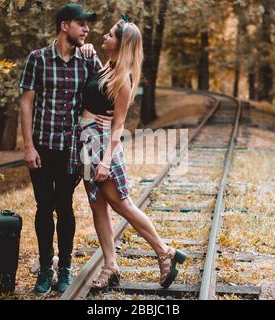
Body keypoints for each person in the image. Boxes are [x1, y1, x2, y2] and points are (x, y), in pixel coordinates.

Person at [71, 17, 187, 292]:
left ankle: (164, 252)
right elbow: (97, 93)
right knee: (97, 204)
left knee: (121, 203)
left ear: (121, 44)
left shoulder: (123, 78)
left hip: (102, 145)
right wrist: (88, 52)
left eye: (110, 35)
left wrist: (106, 161)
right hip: (86, 140)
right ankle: (110, 266)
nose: (104, 37)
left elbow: (119, 124)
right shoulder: (106, 69)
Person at [19, 3, 111, 296]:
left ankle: (66, 267)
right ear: (64, 26)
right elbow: (26, 103)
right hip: (42, 149)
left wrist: (110, 116)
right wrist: (29, 146)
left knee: (65, 207)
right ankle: (46, 268)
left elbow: (109, 85)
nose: (87, 29)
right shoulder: (38, 59)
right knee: (44, 208)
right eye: (81, 24)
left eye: (87, 25)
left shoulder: (86, 61)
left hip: (72, 149)